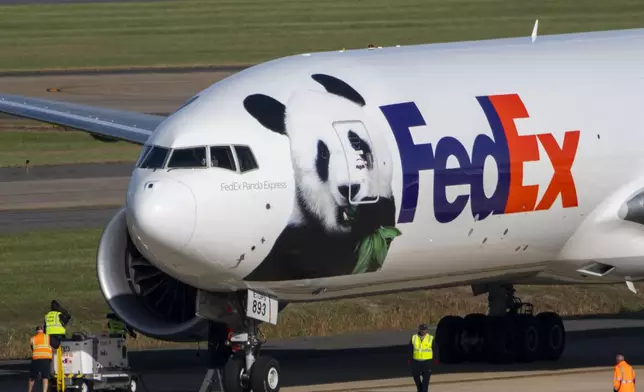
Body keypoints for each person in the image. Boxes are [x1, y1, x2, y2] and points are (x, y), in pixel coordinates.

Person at [409, 324, 434, 392]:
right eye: (422, 329)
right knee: (416, 379)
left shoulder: (430, 338)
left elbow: (435, 350)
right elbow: (410, 349)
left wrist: (435, 360)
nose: (424, 331)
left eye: (425, 329)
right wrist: (410, 360)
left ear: (427, 330)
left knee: (425, 382)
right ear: (419, 330)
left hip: (427, 362)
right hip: (416, 361)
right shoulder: (414, 337)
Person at [27, 325, 53, 392]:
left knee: (32, 377)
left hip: (36, 359)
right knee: (45, 377)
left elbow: (32, 348)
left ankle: (29, 390)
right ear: (43, 330)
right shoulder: (48, 337)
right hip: (46, 358)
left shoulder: (33, 338)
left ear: (36, 331)